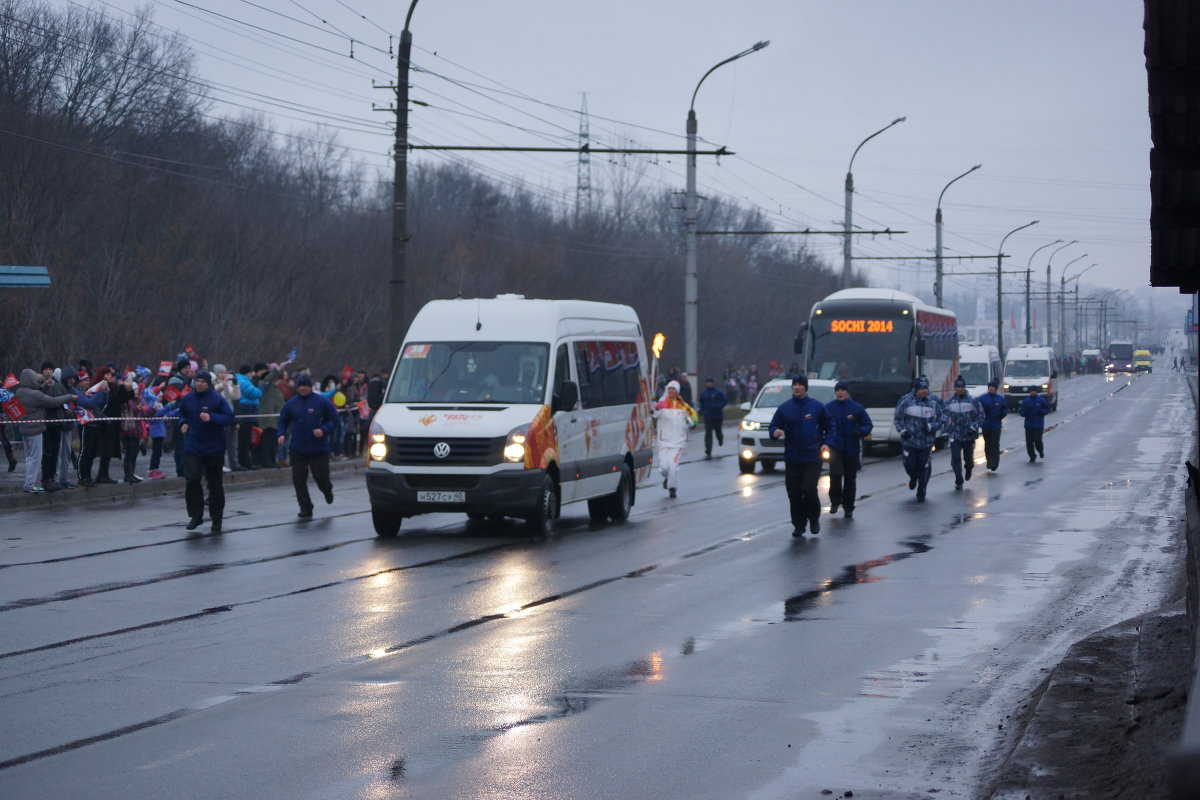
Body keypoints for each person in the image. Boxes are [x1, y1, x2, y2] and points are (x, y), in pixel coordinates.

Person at [769, 374, 832, 536]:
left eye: (800, 385)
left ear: (805, 387)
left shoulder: (816, 407)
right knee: (794, 493)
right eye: (795, 385)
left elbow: (830, 426)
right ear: (792, 387)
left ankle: (814, 518)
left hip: (812, 457)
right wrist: (775, 431)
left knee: (809, 489)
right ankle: (799, 525)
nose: (797, 387)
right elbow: (774, 425)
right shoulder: (785, 408)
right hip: (792, 458)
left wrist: (827, 443)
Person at [177, 370, 235, 532]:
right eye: (197, 381)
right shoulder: (188, 398)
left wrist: (212, 418)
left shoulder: (217, 399)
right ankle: (196, 516)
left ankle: (217, 519)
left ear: (208, 383)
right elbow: (181, 412)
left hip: (213, 448)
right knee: (192, 479)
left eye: (202, 381)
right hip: (193, 446)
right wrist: (183, 423)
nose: (199, 384)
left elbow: (230, 417)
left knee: (215, 484)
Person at [277, 373, 338, 519]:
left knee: (321, 478)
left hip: (318, 449)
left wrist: (323, 430)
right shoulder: (292, 403)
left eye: (305, 386)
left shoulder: (321, 402)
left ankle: (327, 489)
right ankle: (305, 507)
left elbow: (334, 418)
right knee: (298, 480)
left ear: (310, 387)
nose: (302, 388)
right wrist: (281, 434)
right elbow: (282, 420)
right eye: (300, 386)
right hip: (298, 449)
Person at [14, 368, 75, 493]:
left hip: (24, 429)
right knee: (35, 458)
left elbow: (35, 392)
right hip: (35, 430)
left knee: (29, 458)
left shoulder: (20, 392)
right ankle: (30, 485)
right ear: (31, 380)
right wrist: (69, 397)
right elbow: (53, 401)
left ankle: (28, 483)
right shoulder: (35, 395)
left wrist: (42, 385)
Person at [824, 380, 873, 519]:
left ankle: (849, 507)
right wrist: (824, 440)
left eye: (842, 390)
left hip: (851, 449)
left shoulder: (856, 408)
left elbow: (868, 424)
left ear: (847, 392)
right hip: (835, 448)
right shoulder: (828, 408)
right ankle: (835, 501)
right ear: (835, 392)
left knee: (850, 479)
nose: (840, 392)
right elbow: (821, 424)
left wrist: (860, 431)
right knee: (835, 474)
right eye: (837, 390)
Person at [893, 375, 945, 502]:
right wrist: (903, 431)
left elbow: (940, 420)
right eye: (921, 388)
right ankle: (913, 477)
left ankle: (921, 490)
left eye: (926, 388)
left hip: (926, 442)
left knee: (924, 466)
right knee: (909, 465)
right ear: (916, 389)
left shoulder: (932, 403)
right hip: (909, 441)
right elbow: (898, 418)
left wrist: (931, 426)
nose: (924, 391)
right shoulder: (905, 401)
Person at [651, 380, 696, 498]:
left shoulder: (683, 405)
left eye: (674, 389)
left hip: (678, 442)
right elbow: (654, 414)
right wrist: (653, 405)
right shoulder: (662, 403)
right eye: (670, 388)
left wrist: (689, 422)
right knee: (664, 467)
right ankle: (667, 478)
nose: (671, 390)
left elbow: (693, 420)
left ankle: (672, 488)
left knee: (673, 466)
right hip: (664, 440)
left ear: (677, 391)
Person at [943, 375, 983, 490]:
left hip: (968, 435)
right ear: (954, 388)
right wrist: (944, 432)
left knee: (968, 459)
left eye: (961, 387)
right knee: (955, 457)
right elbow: (944, 418)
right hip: (955, 434)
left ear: (965, 387)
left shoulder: (972, 400)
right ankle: (958, 478)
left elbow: (980, 416)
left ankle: (969, 467)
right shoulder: (950, 401)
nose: (959, 389)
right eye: (957, 387)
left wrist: (973, 427)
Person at [235, 364, 265, 469]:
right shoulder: (243, 381)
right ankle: (245, 462)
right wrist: (260, 390)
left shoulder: (240, 380)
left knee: (246, 437)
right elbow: (255, 393)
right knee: (245, 438)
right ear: (247, 373)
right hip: (247, 410)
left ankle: (246, 461)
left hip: (248, 410)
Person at [977, 379, 1007, 471]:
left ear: (995, 389)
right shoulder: (982, 398)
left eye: (993, 387)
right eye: (989, 387)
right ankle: (989, 460)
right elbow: (977, 408)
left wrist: (1002, 414)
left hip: (996, 425)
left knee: (995, 444)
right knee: (988, 444)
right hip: (986, 425)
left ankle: (994, 463)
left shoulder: (999, 399)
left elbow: (1004, 409)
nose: (991, 389)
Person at [1019, 385, 1051, 463]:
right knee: (1029, 442)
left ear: (1036, 392)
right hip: (1028, 425)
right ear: (1029, 392)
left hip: (1038, 425)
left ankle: (1040, 450)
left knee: (1037, 440)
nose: (1032, 392)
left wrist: (1042, 412)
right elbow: (1021, 412)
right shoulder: (1026, 401)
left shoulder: (1041, 400)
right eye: (1031, 391)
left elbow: (1047, 409)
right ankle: (1032, 456)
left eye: (1034, 391)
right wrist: (1024, 412)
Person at [697, 377, 727, 458]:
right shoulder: (703, 393)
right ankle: (708, 449)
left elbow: (724, 401)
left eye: (710, 382)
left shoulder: (718, 392)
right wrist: (701, 411)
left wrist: (718, 406)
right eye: (707, 383)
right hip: (707, 415)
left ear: (713, 383)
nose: (709, 384)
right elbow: (701, 403)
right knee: (708, 432)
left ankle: (720, 439)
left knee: (718, 431)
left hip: (717, 416)